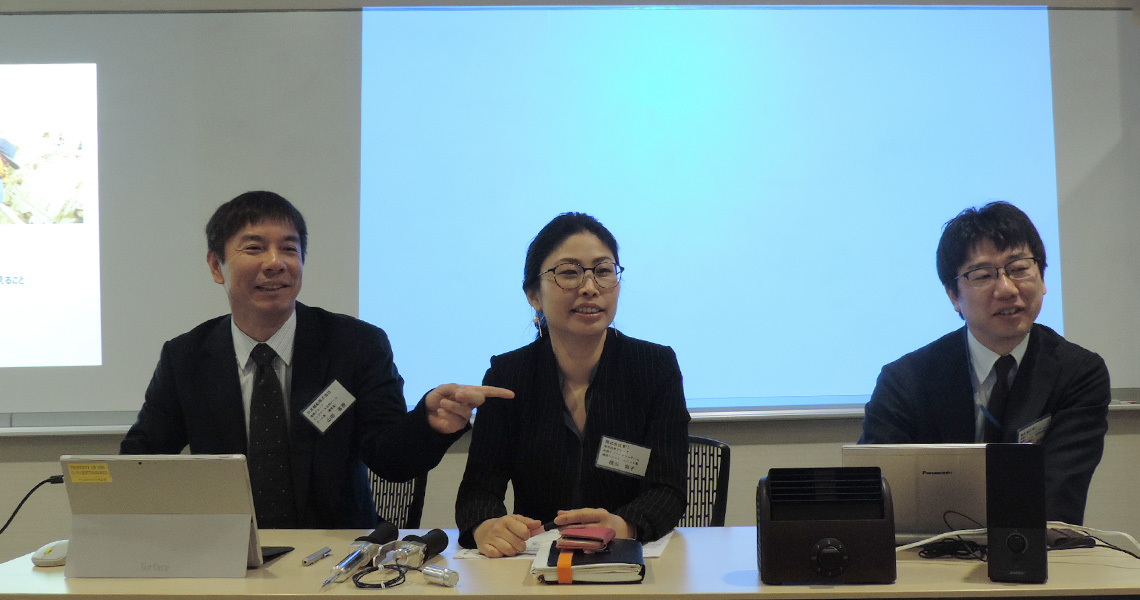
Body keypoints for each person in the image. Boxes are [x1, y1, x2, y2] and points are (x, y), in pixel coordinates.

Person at [121, 191, 512, 529]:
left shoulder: (356, 344)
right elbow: (140, 461)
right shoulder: (186, 356)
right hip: (228, 556)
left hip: (336, 557)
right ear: (215, 266)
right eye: (254, 247)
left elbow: (390, 458)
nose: (275, 262)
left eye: (289, 248)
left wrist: (428, 424)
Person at [455, 212, 690, 556]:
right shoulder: (509, 375)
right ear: (533, 294)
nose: (590, 287)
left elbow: (667, 490)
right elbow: (478, 492)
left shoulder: (654, 368)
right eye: (569, 273)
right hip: (535, 567)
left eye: (604, 271)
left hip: (632, 560)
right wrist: (486, 525)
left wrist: (623, 526)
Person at [860, 201, 1110, 525]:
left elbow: (1059, 499)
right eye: (982, 275)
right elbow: (877, 499)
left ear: (1043, 278)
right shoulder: (904, 381)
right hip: (929, 560)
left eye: (1019, 269)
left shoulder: (1079, 373)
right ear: (953, 296)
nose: (1006, 289)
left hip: (1037, 559)